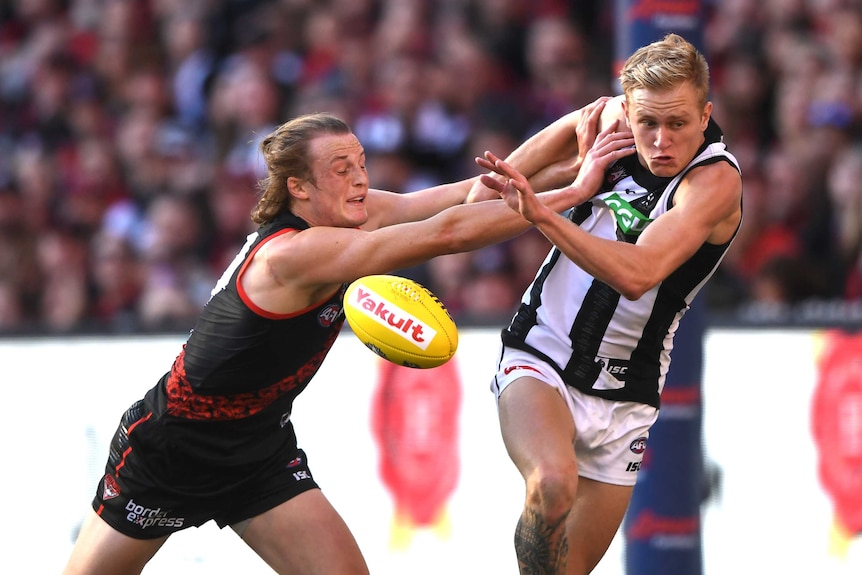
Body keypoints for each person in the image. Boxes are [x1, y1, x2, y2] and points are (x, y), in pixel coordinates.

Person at [62, 107, 634, 574]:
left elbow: (467, 196)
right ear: (299, 189)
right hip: (172, 449)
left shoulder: (349, 217)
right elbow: (450, 233)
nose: (360, 179)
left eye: (360, 163)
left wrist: (576, 135)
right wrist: (574, 191)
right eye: (341, 169)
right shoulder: (293, 253)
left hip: (257, 448)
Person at [475, 33, 743, 574]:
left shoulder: (714, 182)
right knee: (551, 483)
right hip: (540, 353)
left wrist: (544, 212)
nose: (662, 140)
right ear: (628, 109)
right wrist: (567, 176)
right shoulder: (606, 123)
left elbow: (638, 274)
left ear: (706, 113)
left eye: (678, 124)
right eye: (648, 124)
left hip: (627, 395)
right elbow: (484, 197)